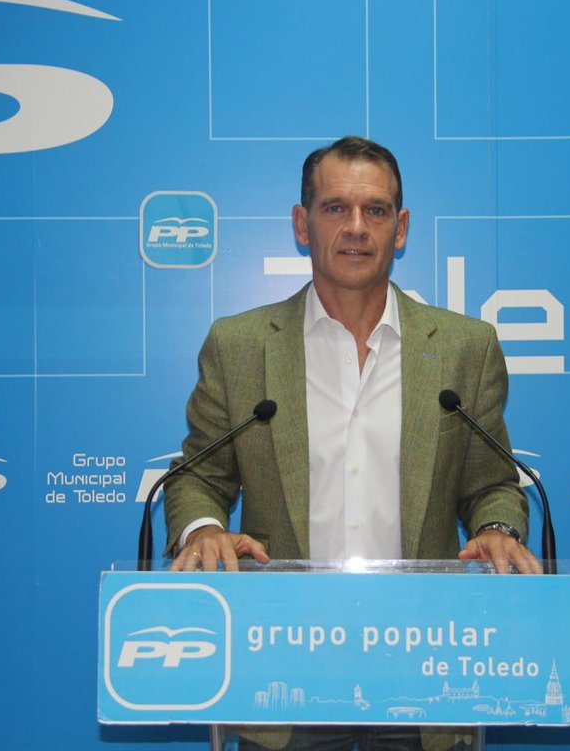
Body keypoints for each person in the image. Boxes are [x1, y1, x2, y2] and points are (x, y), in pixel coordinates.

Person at [164, 136, 540, 750]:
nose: (357, 227)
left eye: (376, 210)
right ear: (302, 224)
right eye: (336, 208)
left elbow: (491, 483)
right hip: (285, 666)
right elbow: (198, 475)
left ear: (401, 228)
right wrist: (203, 529)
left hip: (426, 666)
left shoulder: (465, 349)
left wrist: (499, 527)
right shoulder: (240, 346)